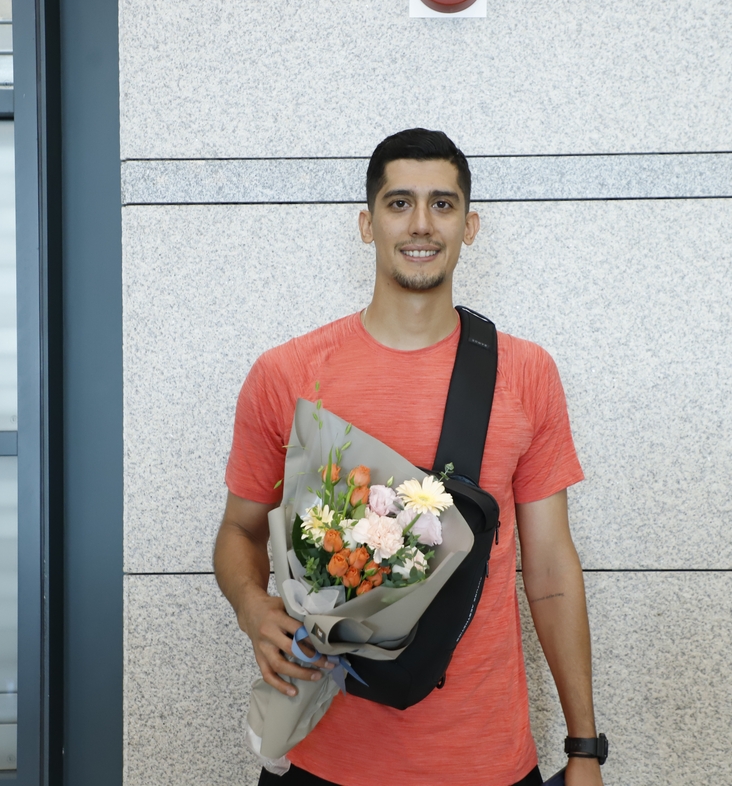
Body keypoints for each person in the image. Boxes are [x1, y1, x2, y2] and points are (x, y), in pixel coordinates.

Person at [214, 128, 604, 786]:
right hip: (322, 756)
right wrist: (256, 611)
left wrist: (584, 746)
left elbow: (550, 567)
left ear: (470, 225)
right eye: (399, 203)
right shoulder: (287, 374)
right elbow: (237, 532)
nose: (421, 224)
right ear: (366, 225)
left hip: (486, 760)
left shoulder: (525, 373)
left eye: (442, 205)